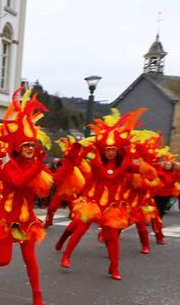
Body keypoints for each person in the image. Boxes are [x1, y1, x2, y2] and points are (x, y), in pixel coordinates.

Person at [0, 89, 53, 305]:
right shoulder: (8, 167)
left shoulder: (36, 167)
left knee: (30, 260)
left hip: (28, 221)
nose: (29, 148)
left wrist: (72, 162)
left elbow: (50, 185)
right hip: (8, 220)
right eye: (25, 145)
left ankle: (37, 295)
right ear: (17, 147)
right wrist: (37, 165)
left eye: (32, 145)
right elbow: (18, 182)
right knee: (5, 259)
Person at [55, 109, 145, 280]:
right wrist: (76, 150)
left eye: (113, 149)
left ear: (118, 150)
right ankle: (66, 256)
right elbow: (76, 161)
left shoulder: (125, 165)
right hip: (94, 204)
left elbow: (146, 171)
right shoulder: (96, 163)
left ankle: (114, 267)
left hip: (112, 207)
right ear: (103, 150)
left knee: (112, 237)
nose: (110, 152)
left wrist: (142, 155)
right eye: (108, 149)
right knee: (80, 229)